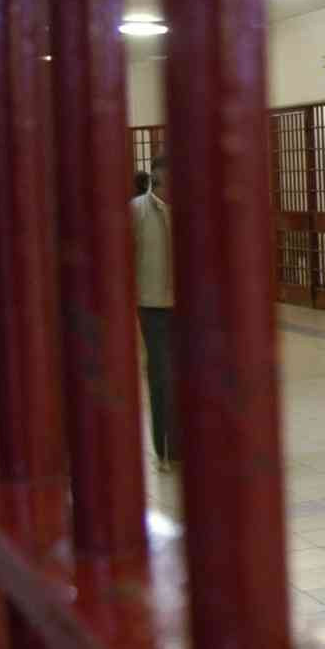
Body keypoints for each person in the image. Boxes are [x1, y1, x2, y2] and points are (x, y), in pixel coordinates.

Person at [132, 156, 175, 471]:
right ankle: (163, 447)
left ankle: (182, 444)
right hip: (152, 305)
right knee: (160, 375)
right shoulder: (137, 211)